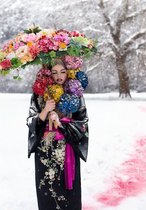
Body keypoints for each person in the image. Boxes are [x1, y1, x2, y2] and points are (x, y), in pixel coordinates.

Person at [26, 58, 89, 210]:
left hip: (67, 148)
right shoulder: (39, 94)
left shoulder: (76, 94)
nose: (58, 76)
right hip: (45, 150)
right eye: (54, 72)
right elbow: (30, 121)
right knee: (47, 188)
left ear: (69, 72)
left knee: (68, 192)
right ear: (48, 74)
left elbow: (83, 124)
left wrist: (62, 122)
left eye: (62, 71)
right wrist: (46, 110)